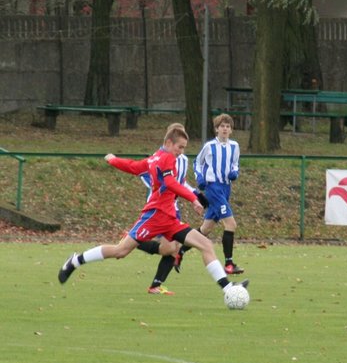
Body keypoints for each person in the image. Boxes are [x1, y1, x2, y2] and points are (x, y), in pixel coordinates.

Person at [57, 124, 248, 295]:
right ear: (169, 143)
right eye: (180, 147)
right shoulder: (166, 158)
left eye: (183, 148)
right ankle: (75, 260)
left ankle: (228, 288)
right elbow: (170, 182)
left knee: (204, 244)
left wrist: (113, 160)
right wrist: (193, 199)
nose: (181, 152)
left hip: (170, 219)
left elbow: (133, 166)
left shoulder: (155, 158)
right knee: (120, 251)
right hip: (154, 216)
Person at [135, 123, 209, 295]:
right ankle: (133, 242)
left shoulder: (183, 160)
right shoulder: (158, 157)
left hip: (173, 207)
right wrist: (160, 187)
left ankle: (156, 284)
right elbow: (148, 176)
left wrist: (196, 194)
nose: (181, 149)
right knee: (170, 248)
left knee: (173, 248)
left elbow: (180, 182)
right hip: (158, 206)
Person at [178, 113, 243, 275]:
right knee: (231, 224)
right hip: (213, 188)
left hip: (226, 188)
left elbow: (235, 163)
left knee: (206, 229)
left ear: (231, 130)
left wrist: (235, 172)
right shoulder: (209, 146)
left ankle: (179, 252)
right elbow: (197, 163)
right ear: (216, 129)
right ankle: (229, 264)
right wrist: (200, 177)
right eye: (222, 126)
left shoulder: (234, 146)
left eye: (228, 126)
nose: (225, 129)